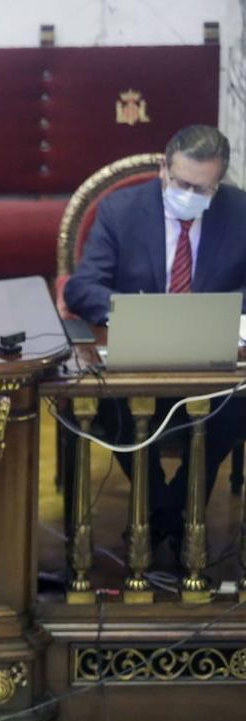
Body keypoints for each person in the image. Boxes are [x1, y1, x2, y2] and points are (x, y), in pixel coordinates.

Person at [64, 124, 246, 550]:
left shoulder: (240, 212)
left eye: (203, 189)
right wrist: (136, 313)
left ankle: (177, 500)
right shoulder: (121, 210)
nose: (191, 195)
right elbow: (82, 286)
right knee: (117, 409)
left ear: (218, 182)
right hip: (136, 354)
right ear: (164, 169)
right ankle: (163, 506)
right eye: (182, 183)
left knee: (234, 407)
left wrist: (222, 312)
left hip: (213, 357)